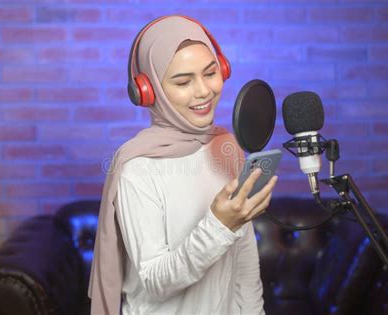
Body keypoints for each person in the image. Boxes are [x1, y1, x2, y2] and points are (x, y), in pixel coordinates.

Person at [88, 15, 278, 315]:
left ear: (223, 69)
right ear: (148, 91)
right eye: (183, 81)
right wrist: (219, 225)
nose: (203, 91)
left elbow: (244, 257)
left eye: (211, 72)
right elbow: (156, 281)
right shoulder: (137, 168)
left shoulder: (226, 147)